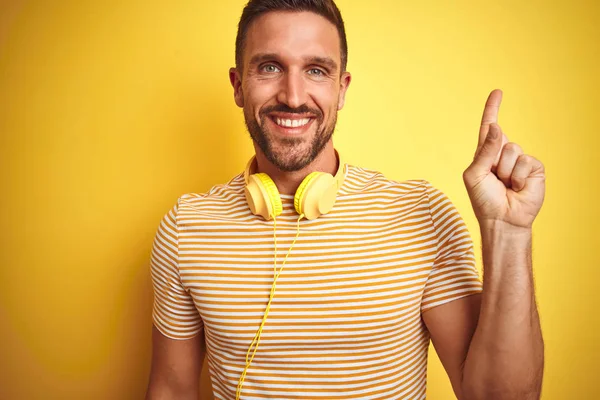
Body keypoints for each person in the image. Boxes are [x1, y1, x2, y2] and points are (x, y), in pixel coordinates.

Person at [145, 0, 546, 399]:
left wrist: (507, 234)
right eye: (270, 67)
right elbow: (171, 389)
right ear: (237, 85)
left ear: (342, 89)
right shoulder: (186, 227)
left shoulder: (421, 213)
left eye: (316, 71)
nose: (294, 96)